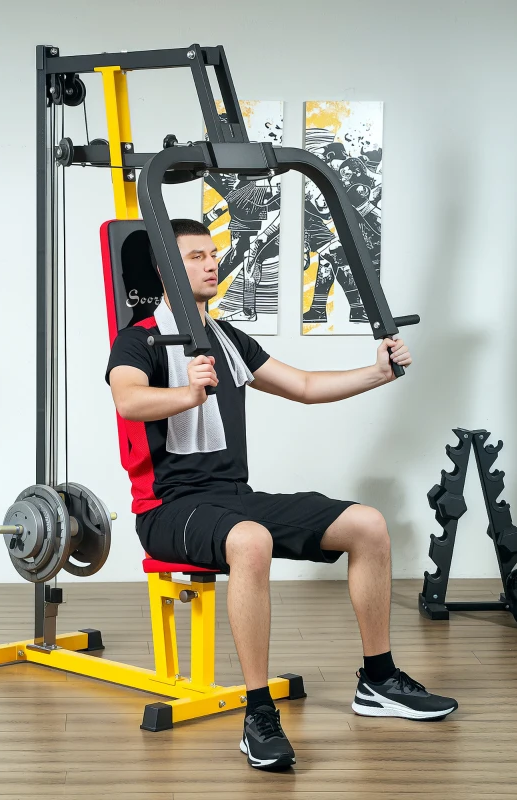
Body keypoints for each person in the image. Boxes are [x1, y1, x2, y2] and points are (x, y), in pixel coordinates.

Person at [106, 219, 457, 771]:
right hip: (169, 508)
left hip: (232, 497)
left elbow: (306, 388)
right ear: (167, 270)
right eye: (196, 256)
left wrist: (378, 372)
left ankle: (380, 679)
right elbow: (127, 401)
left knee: (367, 524)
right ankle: (259, 712)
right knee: (251, 541)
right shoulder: (142, 337)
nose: (210, 262)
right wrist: (187, 393)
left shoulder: (226, 338)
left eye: (212, 253)